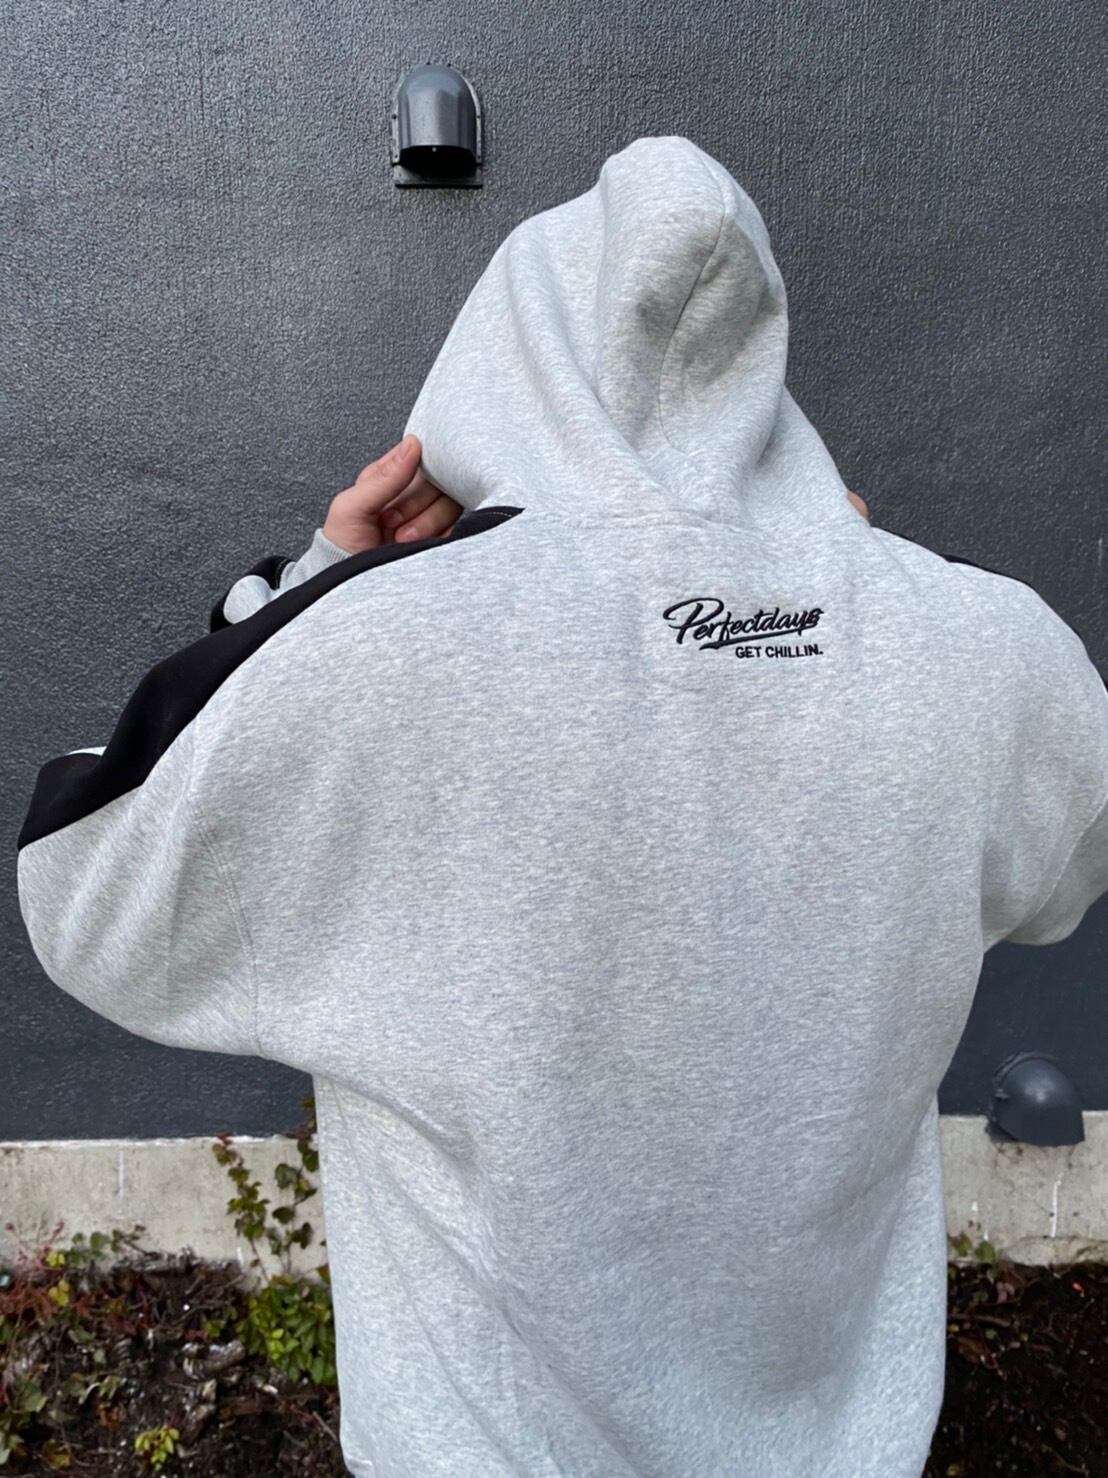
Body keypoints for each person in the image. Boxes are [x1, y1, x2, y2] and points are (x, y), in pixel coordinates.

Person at [16, 135, 1108, 1477]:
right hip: (840, 1436)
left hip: (484, 1443)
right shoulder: (985, 643)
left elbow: (91, 885)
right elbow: (1067, 871)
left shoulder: (381, 647)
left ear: (511, 353)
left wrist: (314, 590)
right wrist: (850, 591)